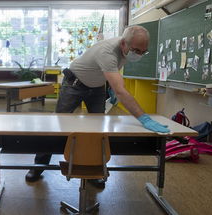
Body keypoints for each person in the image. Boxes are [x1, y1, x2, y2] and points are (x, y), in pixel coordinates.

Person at [25, 26, 170, 187]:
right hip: (75, 83)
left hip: (97, 87)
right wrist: (143, 118)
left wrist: (109, 85)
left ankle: (94, 170)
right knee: (58, 125)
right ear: (123, 43)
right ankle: (38, 166)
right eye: (136, 50)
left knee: (98, 129)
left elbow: (112, 73)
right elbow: (121, 91)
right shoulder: (107, 52)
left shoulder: (127, 48)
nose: (139, 55)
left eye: (143, 52)